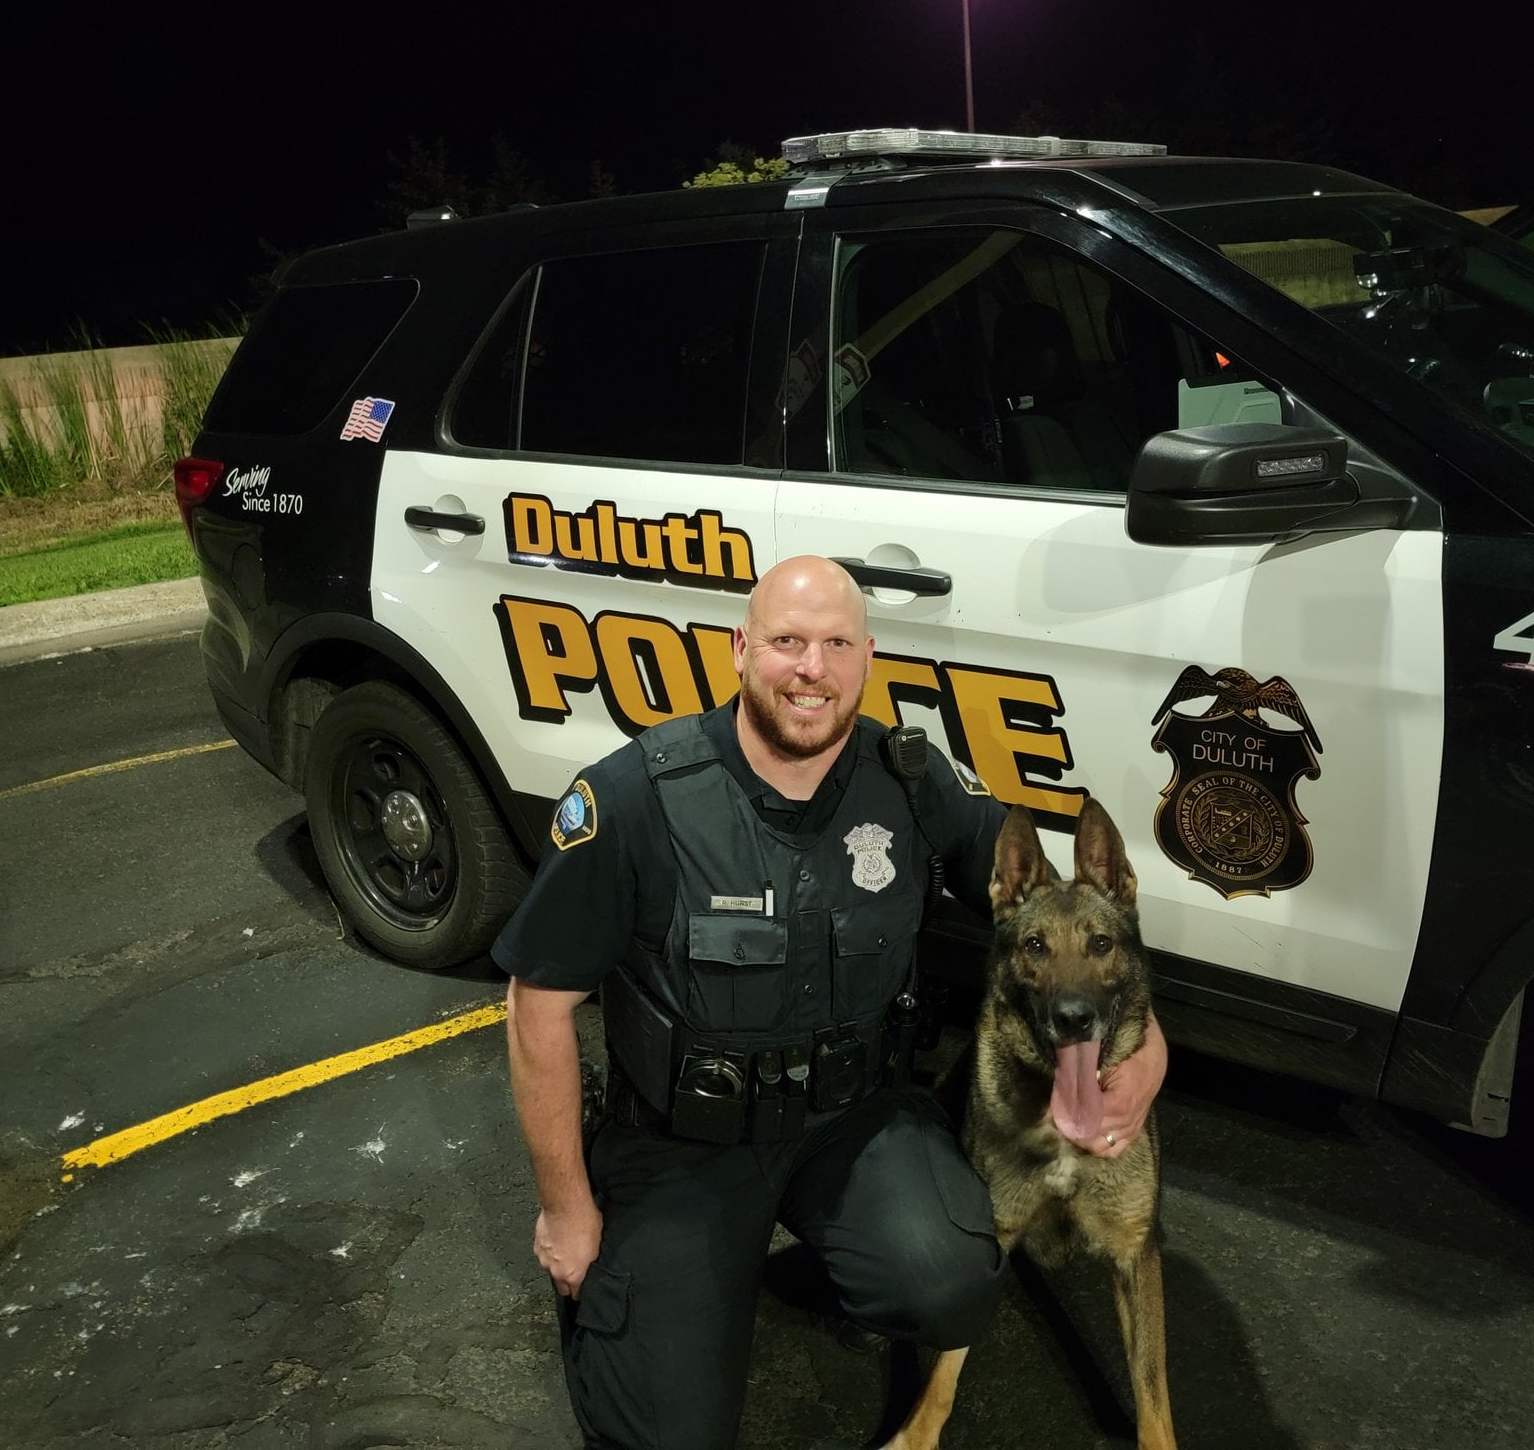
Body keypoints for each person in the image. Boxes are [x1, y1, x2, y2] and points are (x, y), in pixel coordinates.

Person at [497, 554, 1168, 1449]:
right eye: (786, 641)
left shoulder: (914, 782)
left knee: (951, 1278)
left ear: (868, 658)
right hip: (684, 1143)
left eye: (837, 645)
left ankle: (825, 1260)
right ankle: (638, 1288)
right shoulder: (634, 798)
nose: (811, 669)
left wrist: (1148, 1047)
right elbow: (537, 1004)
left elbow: (1070, 925)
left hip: (852, 1122)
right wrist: (566, 1208)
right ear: (741, 649)